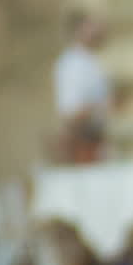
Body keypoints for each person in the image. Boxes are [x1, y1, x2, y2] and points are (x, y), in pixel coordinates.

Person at [53, 11, 111, 164]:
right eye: (90, 26)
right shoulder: (72, 64)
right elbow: (70, 110)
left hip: (96, 139)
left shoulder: (92, 61)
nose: (97, 31)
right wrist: (101, 106)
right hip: (83, 143)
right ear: (78, 30)